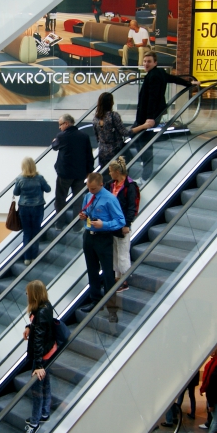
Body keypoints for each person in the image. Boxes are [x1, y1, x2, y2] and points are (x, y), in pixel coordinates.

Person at [131, 52, 198, 180]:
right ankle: (143, 162)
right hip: (148, 115)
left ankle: (146, 174)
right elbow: (173, 79)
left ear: (155, 63)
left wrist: (149, 118)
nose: (146, 64)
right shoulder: (158, 73)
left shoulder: (154, 76)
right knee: (134, 135)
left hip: (148, 117)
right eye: (145, 61)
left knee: (144, 143)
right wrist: (189, 84)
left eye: (149, 61)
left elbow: (153, 97)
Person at [80, 172, 126, 323]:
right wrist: (84, 216)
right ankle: (95, 301)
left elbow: (120, 221)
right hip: (89, 236)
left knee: (107, 273)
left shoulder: (110, 199)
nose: (90, 191)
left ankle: (112, 309)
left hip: (103, 238)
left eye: (93, 189)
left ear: (101, 184)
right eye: (89, 188)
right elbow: (86, 210)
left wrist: (104, 225)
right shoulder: (88, 196)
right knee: (92, 270)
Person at [21, 280, 55, 433]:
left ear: (34, 294)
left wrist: (39, 365)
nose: (26, 294)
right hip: (49, 352)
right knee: (46, 384)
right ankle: (44, 412)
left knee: (36, 390)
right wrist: (30, 326)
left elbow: (38, 340)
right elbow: (37, 324)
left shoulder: (41, 313)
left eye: (28, 292)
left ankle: (34, 423)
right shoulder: (46, 305)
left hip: (41, 357)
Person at [51, 113, 94, 226]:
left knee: (60, 199)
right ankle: (77, 225)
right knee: (78, 200)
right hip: (80, 174)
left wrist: (54, 140)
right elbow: (89, 154)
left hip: (64, 174)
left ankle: (60, 223)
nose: (59, 127)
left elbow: (55, 147)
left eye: (60, 125)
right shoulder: (84, 136)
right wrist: (89, 171)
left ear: (66, 123)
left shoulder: (62, 136)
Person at [106, 156, 139, 289]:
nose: (109, 174)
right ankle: (117, 277)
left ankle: (124, 279)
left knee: (123, 252)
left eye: (110, 171)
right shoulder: (111, 185)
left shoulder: (130, 186)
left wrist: (127, 224)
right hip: (112, 224)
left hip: (122, 224)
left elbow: (132, 207)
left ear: (117, 172)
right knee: (115, 251)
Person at [13, 157, 52, 264]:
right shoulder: (39, 178)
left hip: (24, 208)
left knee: (26, 233)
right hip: (37, 207)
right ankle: (34, 257)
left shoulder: (20, 179)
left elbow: (16, 193)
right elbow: (48, 189)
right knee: (35, 232)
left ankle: (27, 258)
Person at [93, 91, 129, 170]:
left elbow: (97, 136)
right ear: (110, 103)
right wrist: (142, 126)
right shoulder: (113, 115)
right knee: (118, 173)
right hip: (115, 150)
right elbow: (124, 132)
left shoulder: (96, 118)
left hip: (102, 151)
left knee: (105, 173)